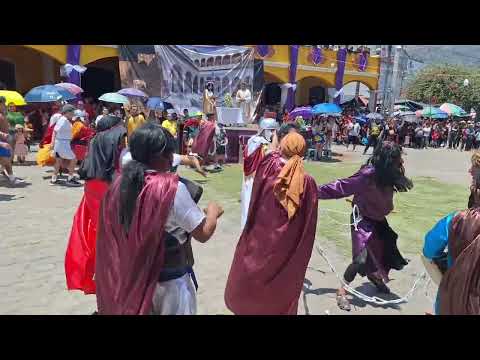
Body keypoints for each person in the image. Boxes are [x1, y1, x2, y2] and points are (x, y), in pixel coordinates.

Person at [95, 123, 223, 315]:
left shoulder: (118, 184)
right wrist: (212, 212)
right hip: (169, 280)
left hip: (131, 276)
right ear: (164, 155)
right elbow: (203, 233)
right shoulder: (171, 188)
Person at [225, 132, 318, 315]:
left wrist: (276, 137)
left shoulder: (268, 166)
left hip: (259, 241)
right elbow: (308, 223)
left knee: (251, 279)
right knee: (279, 287)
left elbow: (272, 152)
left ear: (282, 148)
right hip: (286, 247)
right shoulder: (308, 183)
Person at [318, 141, 413, 311]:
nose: (401, 162)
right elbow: (341, 186)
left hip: (378, 219)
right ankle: (342, 291)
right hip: (361, 219)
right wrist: (314, 191)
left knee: (383, 253)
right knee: (360, 259)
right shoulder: (367, 174)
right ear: (386, 160)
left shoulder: (390, 173)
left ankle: (375, 278)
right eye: (398, 159)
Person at [65, 115, 127, 295]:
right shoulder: (115, 143)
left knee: (99, 236)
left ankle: (101, 278)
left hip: (93, 188)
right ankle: (113, 279)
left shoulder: (95, 142)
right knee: (115, 237)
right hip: (108, 191)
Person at [423, 151, 480, 315]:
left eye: (474, 168)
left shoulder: (456, 220)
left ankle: (447, 289)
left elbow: (428, 252)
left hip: (453, 305)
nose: (469, 171)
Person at [240, 118, 279, 231]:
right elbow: (272, 154)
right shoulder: (261, 143)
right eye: (271, 130)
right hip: (254, 178)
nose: (272, 133)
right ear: (264, 130)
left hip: (254, 177)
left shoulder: (253, 140)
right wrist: (275, 140)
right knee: (250, 204)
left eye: (274, 131)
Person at [50, 104, 81, 186]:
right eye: (72, 112)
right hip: (62, 143)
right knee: (74, 159)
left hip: (62, 143)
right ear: (67, 112)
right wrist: (52, 142)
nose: (73, 113)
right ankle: (70, 178)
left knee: (58, 161)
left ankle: (54, 179)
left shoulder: (65, 120)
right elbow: (55, 131)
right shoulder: (63, 120)